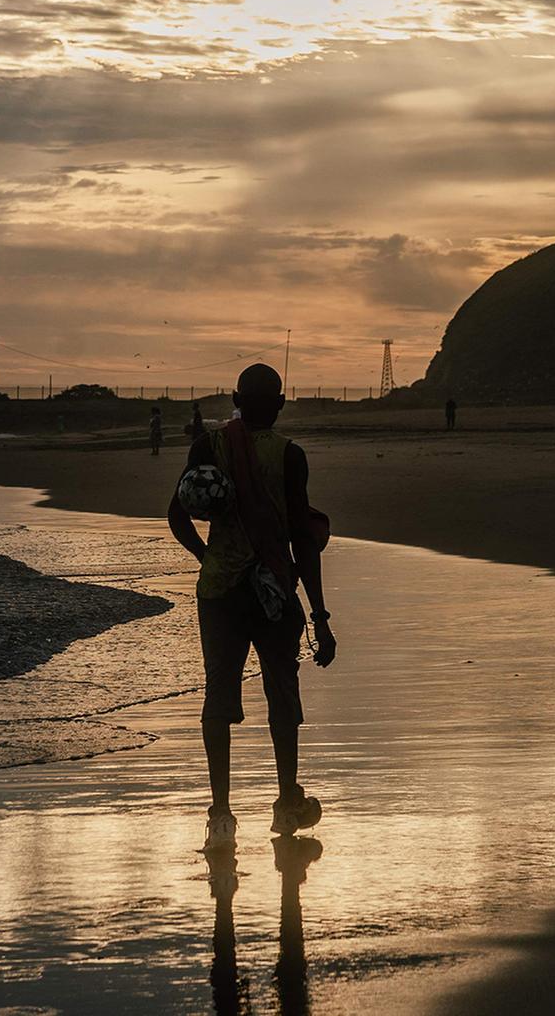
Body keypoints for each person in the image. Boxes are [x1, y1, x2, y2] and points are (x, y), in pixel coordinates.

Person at [169, 363, 336, 852]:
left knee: (217, 697)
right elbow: (303, 538)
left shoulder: (208, 448)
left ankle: (220, 815)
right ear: (280, 405)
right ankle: (286, 804)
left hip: (220, 592)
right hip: (273, 591)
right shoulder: (290, 455)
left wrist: (209, 557)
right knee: (281, 696)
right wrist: (321, 615)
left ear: (235, 399)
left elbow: (178, 516)